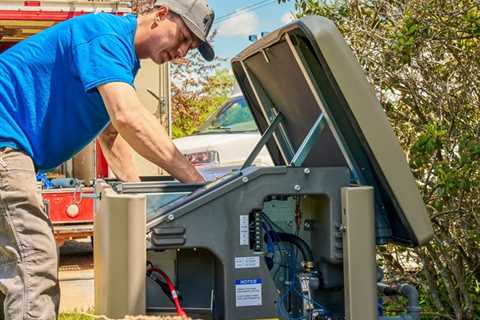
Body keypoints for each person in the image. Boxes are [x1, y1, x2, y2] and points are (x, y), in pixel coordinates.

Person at [0, 0, 214, 318]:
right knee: (33, 257)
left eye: (191, 48)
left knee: (14, 263)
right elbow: (128, 117)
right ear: (161, 14)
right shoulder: (104, 35)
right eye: (183, 38)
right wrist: (198, 184)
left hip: (11, 146)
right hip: (5, 143)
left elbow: (113, 136)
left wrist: (140, 205)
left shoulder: (121, 60)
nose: (182, 52)